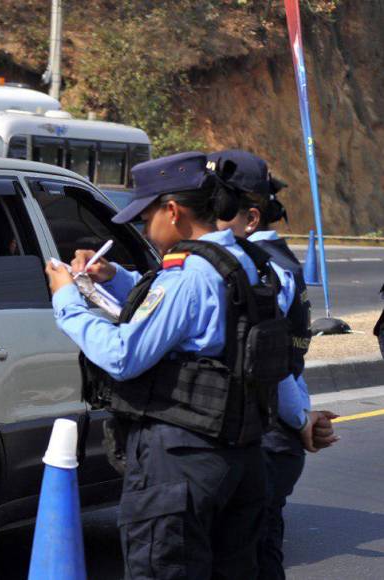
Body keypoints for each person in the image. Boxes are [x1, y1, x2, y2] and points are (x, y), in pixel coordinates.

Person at [45, 151, 290, 579]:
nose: (142, 228)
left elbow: (124, 355)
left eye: (145, 217)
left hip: (183, 460)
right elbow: (187, 315)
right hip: (242, 454)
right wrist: (114, 276)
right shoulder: (247, 261)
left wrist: (66, 298)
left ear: (173, 211)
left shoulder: (188, 274)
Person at [211, 149, 339, 579]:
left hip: (269, 435)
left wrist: (301, 417)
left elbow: (272, 363)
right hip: (278, 431)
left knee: (251, 558)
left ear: (249, 217)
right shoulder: (276, 262)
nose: (209, 218)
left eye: (217, 207)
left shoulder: (262, 271)